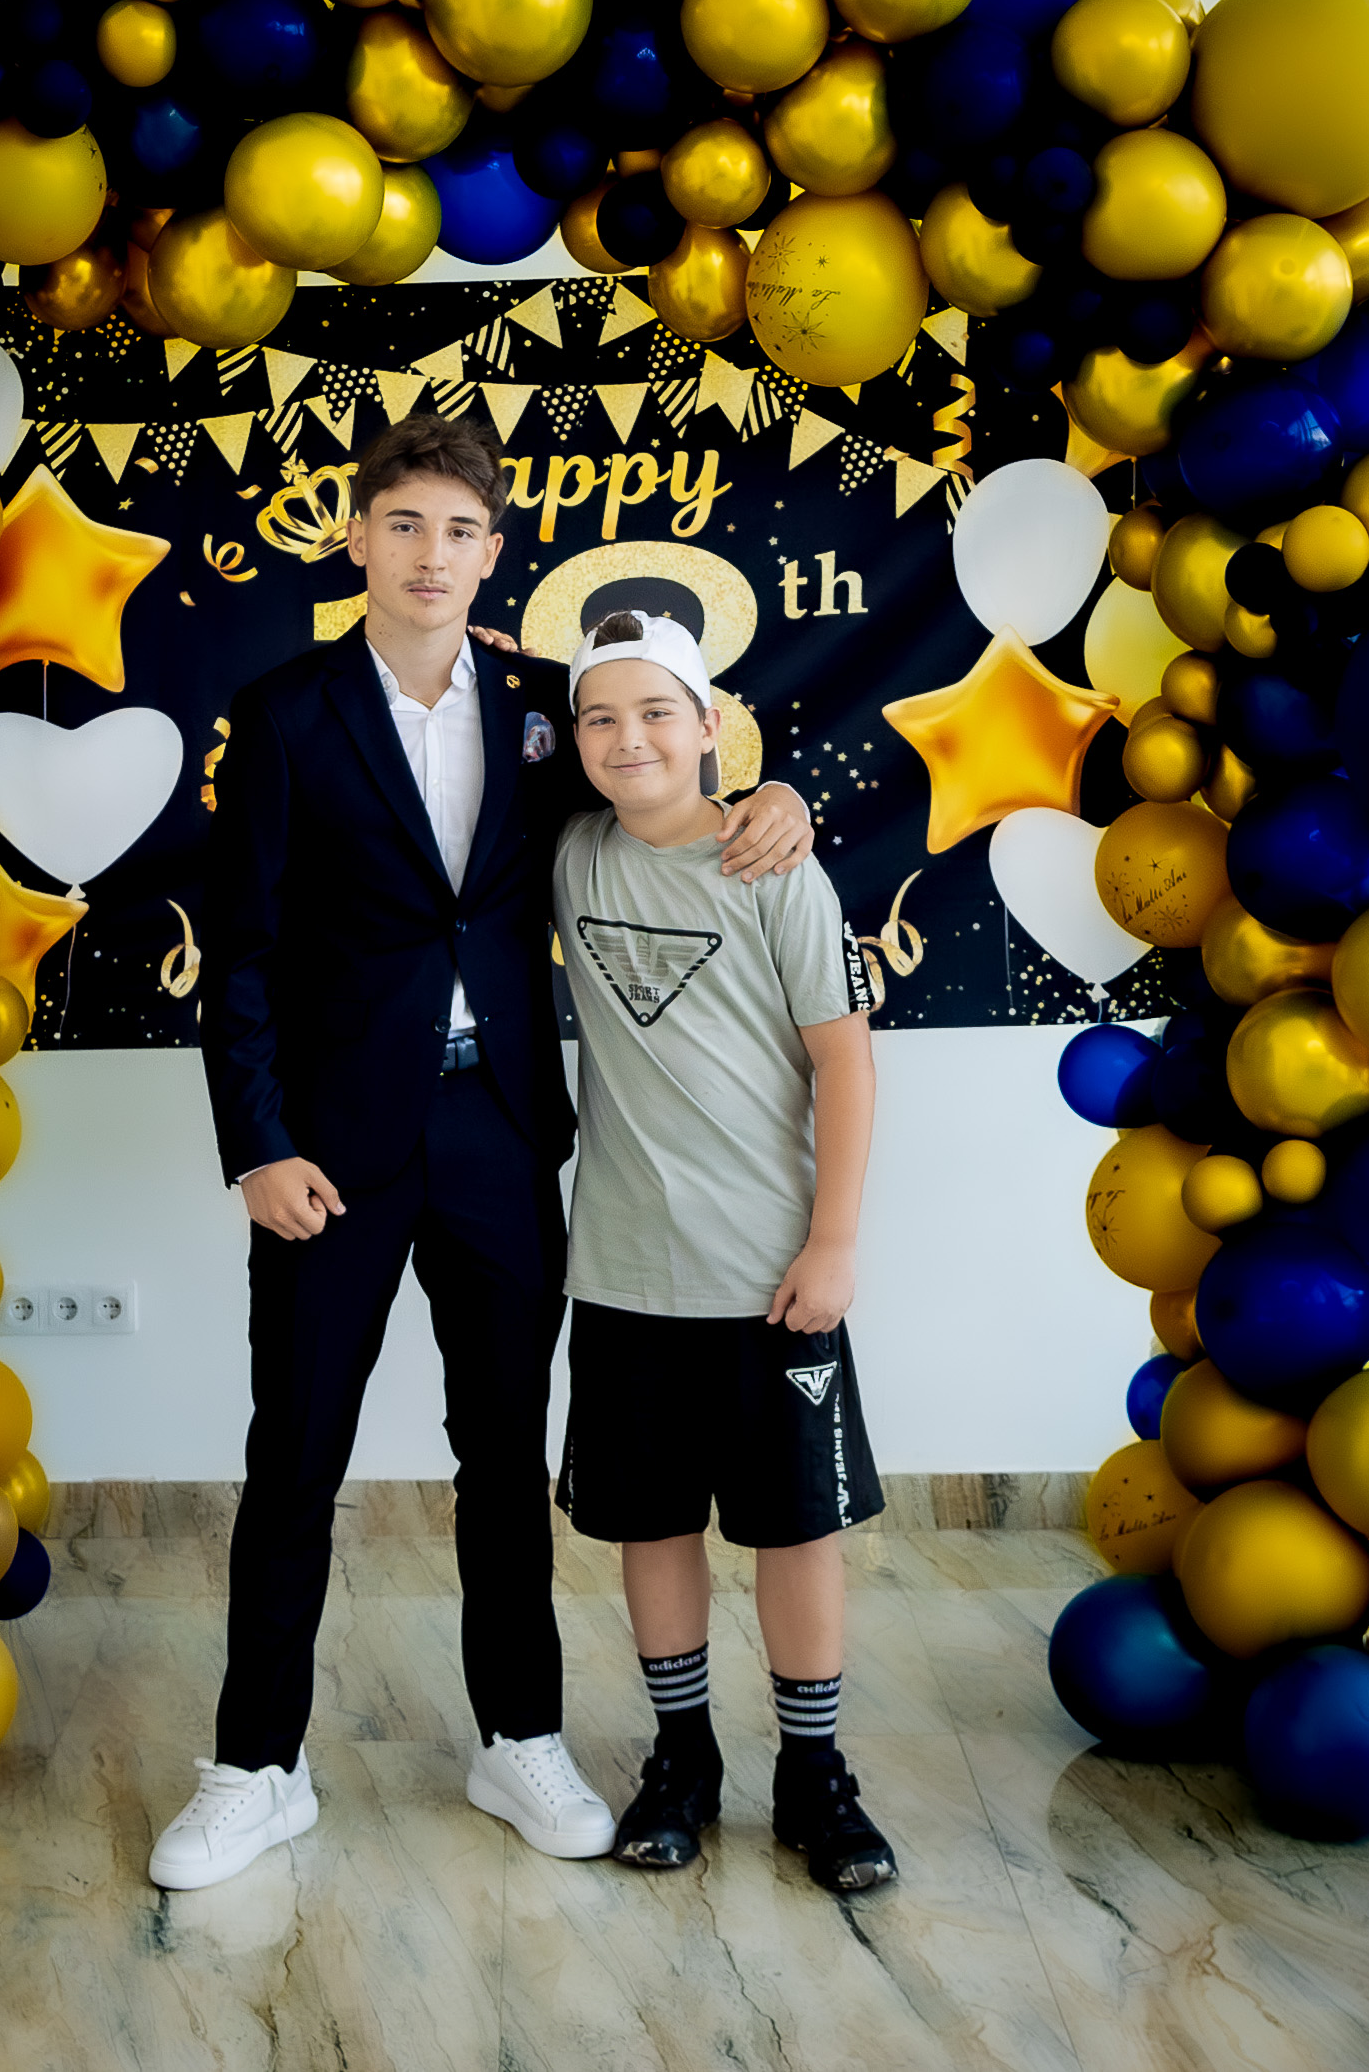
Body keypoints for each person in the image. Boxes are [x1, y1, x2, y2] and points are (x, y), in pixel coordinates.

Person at [147, 416, 815, 1890]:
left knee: (504, 1458)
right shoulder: (284, 711)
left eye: (458, 530)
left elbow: (664, 784)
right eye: (403, 524)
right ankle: (256, 1766)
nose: (430, 553)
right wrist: (257, 1144)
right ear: (357, 537)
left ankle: (518, 1736)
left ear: (493, 552)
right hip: (330, 1150)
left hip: (502, 1134)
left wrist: (777, 796)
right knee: (294, 1457)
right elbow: (240, 951)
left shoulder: (543, 705)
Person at [552, 608, 897, 1895]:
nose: (628, 738)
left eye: (657, 712)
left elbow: (844, 1061)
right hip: (624, 1274)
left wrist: (834, 1240)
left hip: (771, 1278)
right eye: (600, 717)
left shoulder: (776, 869)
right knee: (653, 1524)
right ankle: (681, 1756)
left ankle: (814, 1770)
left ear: (710, 726)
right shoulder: (571, 855)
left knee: (794, 1529)